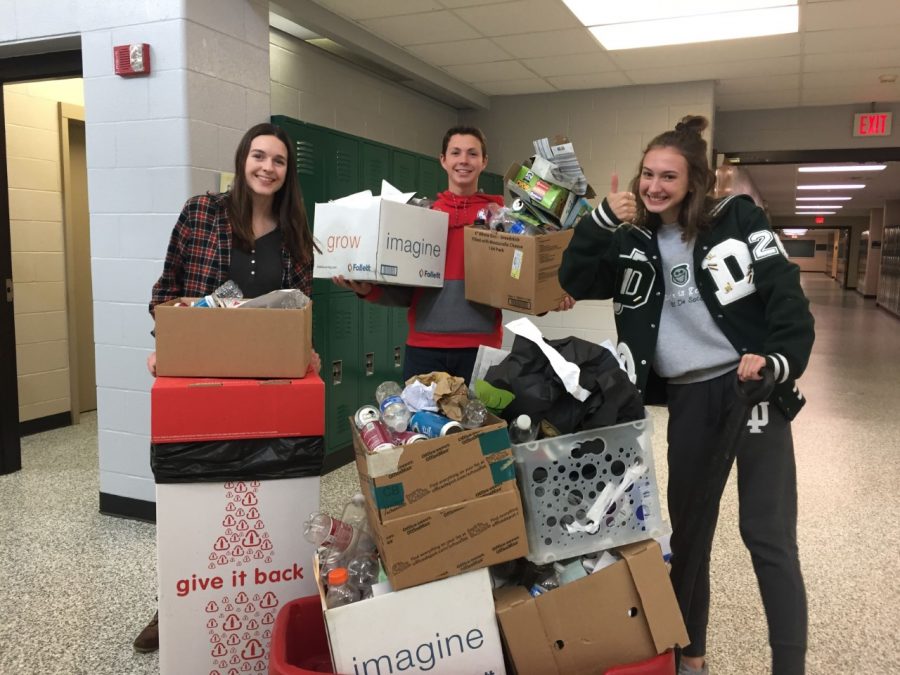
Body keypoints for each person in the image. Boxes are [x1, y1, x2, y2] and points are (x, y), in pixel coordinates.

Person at [558, 116, 814, 675]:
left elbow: (785, 296)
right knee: (691, 536)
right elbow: (575, 279)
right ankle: (689, 658)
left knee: (766, 533)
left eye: (667, 177)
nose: (654, 186)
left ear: (694, 182)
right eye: (647, 174)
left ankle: (789, 667)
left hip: (751, 389)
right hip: (691, 399)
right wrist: (600, 220)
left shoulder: (737, 219)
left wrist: (777, 361)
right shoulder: (629, 239)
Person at [135, 122, 320, 652]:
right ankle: (174, 604)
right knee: (198, 501)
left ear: (288, 172)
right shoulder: (202, 212)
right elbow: (167, 288)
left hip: (268, 386)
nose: (267, 167)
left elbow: (301, 307)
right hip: (201, 381)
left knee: (261, 496)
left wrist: (305, 348)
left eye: (278, 161)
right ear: (243, 161)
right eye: (259, 156)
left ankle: (267, 593)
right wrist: (167, 342)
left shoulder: (295, 232)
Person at [333, 125, 574, 381]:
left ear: (484, 162)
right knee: (422, 422)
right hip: (424, 347)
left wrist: (549, 301)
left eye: (472, 153)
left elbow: (519, 284)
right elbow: (406, 291)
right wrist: (366, 290)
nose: (463, 160)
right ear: (443, 160)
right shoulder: (422, 215)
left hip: (480, 347)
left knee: (482, 423)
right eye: (455, 152)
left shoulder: (503, 219)